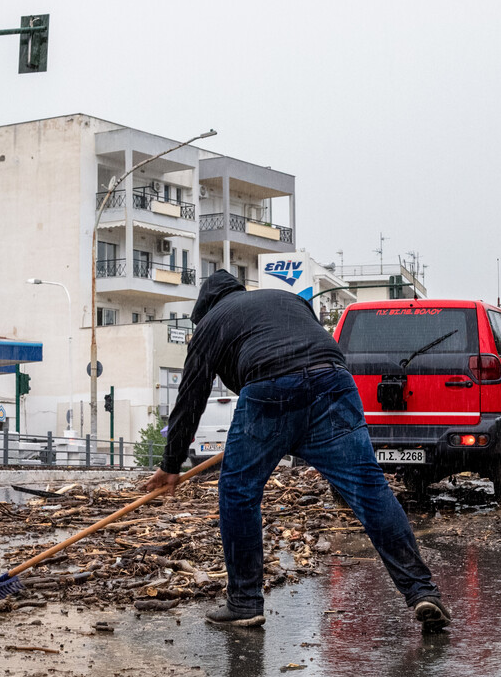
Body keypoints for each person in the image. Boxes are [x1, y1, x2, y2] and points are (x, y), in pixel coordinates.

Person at [145, 270, 451, 631]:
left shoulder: (212, 323)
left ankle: (244, 603)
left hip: (269, 389)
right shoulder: (286, 299)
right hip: (334, 382)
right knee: (369, 489)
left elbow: (190, 398)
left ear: (204, 307)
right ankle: (422, 591)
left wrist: (170, 463)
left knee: (238, 494)